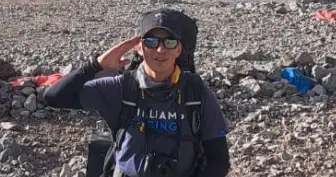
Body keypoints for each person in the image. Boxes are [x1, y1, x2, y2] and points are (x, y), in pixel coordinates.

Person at [44, 9, 230, 177]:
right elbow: (54, 97)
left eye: (169, 42)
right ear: (139, 48)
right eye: (151, 41)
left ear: (179, 49)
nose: (160, 49)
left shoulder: (196, 94)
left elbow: (219, 160)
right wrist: (96, 65)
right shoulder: (121, 88)